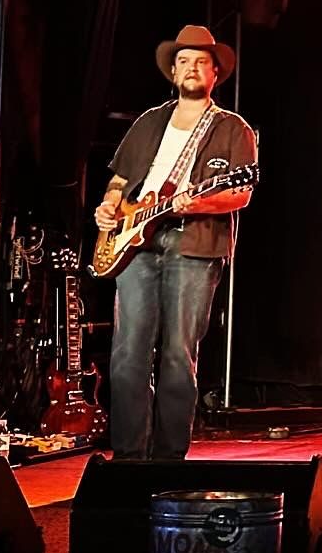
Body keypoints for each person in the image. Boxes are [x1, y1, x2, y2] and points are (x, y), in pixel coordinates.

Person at [94, 25, 257, 460]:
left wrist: (197, 204)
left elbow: (241, 193)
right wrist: (109, 207)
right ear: (172, 71)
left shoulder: (232, 128)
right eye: (184, 61)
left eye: (201, 62)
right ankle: (129, 458)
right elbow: (120, 180)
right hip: (135, 243)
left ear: (215, 73)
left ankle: (168, 462)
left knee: (178, 355)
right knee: (127, 352)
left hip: (195, 244)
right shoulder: (150, 121)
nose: (191, 68)